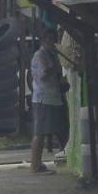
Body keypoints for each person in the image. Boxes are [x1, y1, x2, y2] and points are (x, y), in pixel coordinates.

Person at [29, 28, 67, 174]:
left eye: (53, 39)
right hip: (43, 99)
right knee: (40, 133)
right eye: (49, 39)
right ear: (43, 41)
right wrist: (53, 66)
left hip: (53, 97)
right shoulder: (40, 55)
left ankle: (56, 160)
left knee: (59, 130)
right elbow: (43, 75)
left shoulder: (51, 54)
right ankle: (35, 166)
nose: (52, 42)